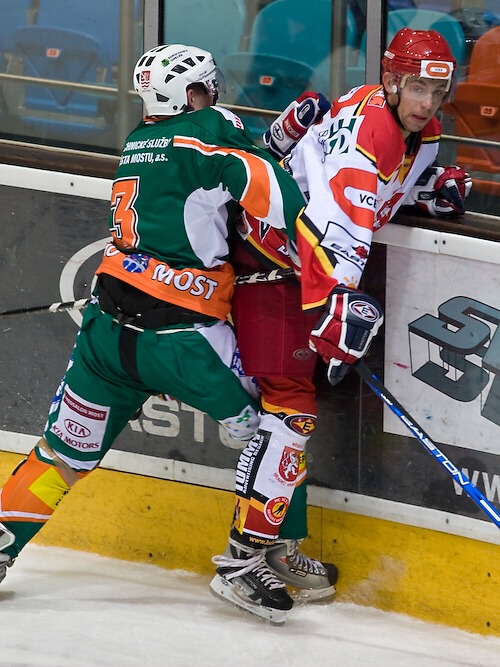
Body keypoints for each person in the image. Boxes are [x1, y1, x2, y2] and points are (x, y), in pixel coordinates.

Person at [0, 43, 325, 625]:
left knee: (62, 455)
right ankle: (261, 555)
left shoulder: (137, 141)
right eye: (207, 86)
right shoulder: (210, 130)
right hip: (184, 340)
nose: (215, 94)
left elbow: (194, 183)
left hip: (104, 336)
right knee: (280, 419)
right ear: (192, 94)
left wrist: (266, 143)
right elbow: (282, 202)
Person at [225, 27, 472, 600]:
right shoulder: (368, 132)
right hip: (270, 263)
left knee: (290, 413)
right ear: (391, 81)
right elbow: (337, 223)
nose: (428, 103)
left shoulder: (418, 130)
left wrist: (428, 191)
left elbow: (381, 194)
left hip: (301, 267)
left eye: (438, 92)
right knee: (288, 410)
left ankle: (275, 547)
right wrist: (337, 301)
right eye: (418, 89)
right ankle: (241, 560)